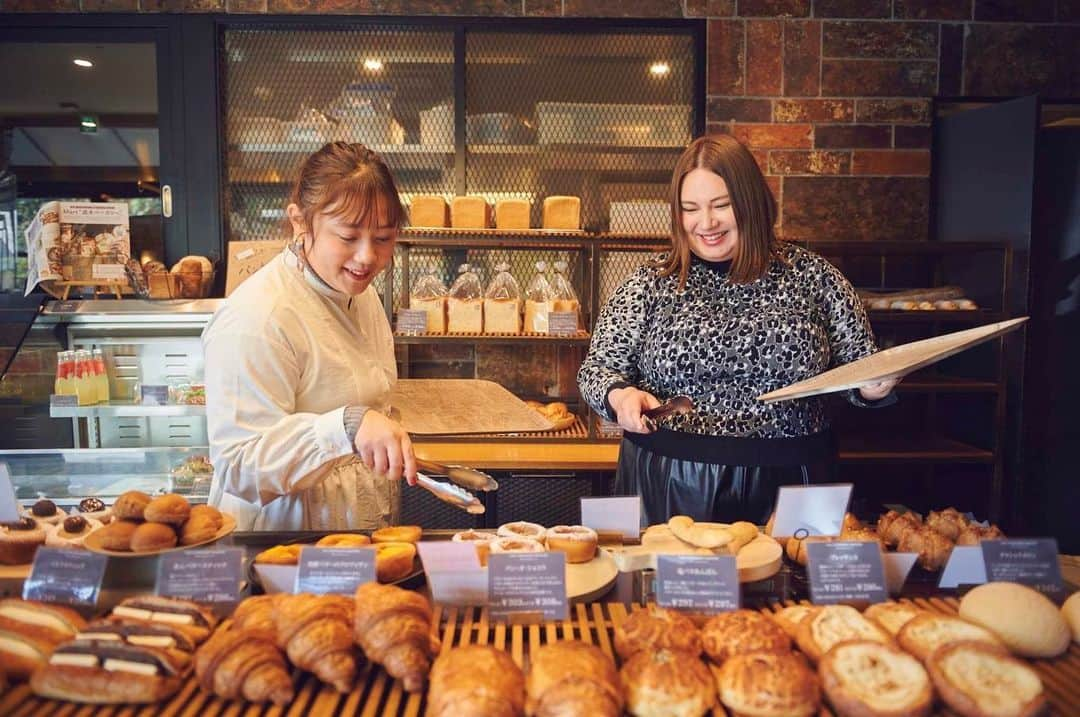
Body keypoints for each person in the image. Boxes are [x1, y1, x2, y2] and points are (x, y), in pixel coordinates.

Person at [577, 134, 898, 525]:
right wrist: (619, 395)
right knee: (670, 586)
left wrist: (873, 387)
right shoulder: (650, 283)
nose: (706, 223)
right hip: (672, 480)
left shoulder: (815, 277)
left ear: (751, 202)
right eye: (689, 209)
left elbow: (859, 369)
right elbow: (596, 371)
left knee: (790, 586)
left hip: (795, 478)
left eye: (722, 205)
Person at [204, 142, 417, 531]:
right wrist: (345, 426)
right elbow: (237, 464)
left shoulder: (360, 294)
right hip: (283, 539)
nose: (368, 257)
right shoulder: (259, 316)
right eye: (349, 237)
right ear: (301, 222)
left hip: (355, 525)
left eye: (384, 239)